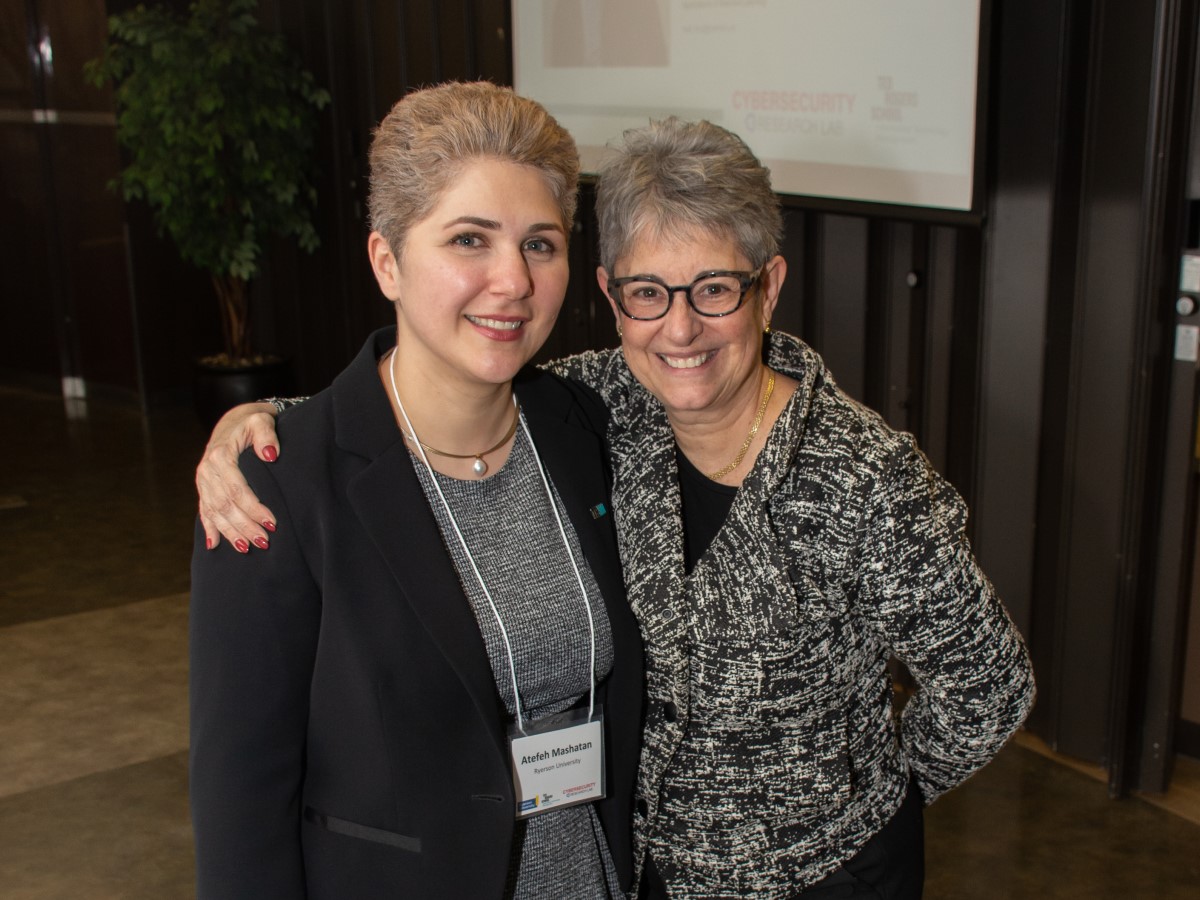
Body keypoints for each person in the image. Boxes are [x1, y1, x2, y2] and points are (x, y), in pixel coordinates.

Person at [196, 117, 1035, 898]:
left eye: (715, 289)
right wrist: (263, 421)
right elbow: (420, 399)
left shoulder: (866, 477)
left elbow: (990, 689)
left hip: (822, 879)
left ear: (768, 288)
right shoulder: (605, 405)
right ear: (610, 293)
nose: (680, 330)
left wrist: (865, 794)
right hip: (640, 876)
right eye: (647, 293)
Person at [188, 81, 644, 899]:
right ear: (387, 261)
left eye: (541, 244)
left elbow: (722, 364)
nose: (513, 281)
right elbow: (240, 799)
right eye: (470, 240)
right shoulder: (278, 486)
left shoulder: (582, 427)